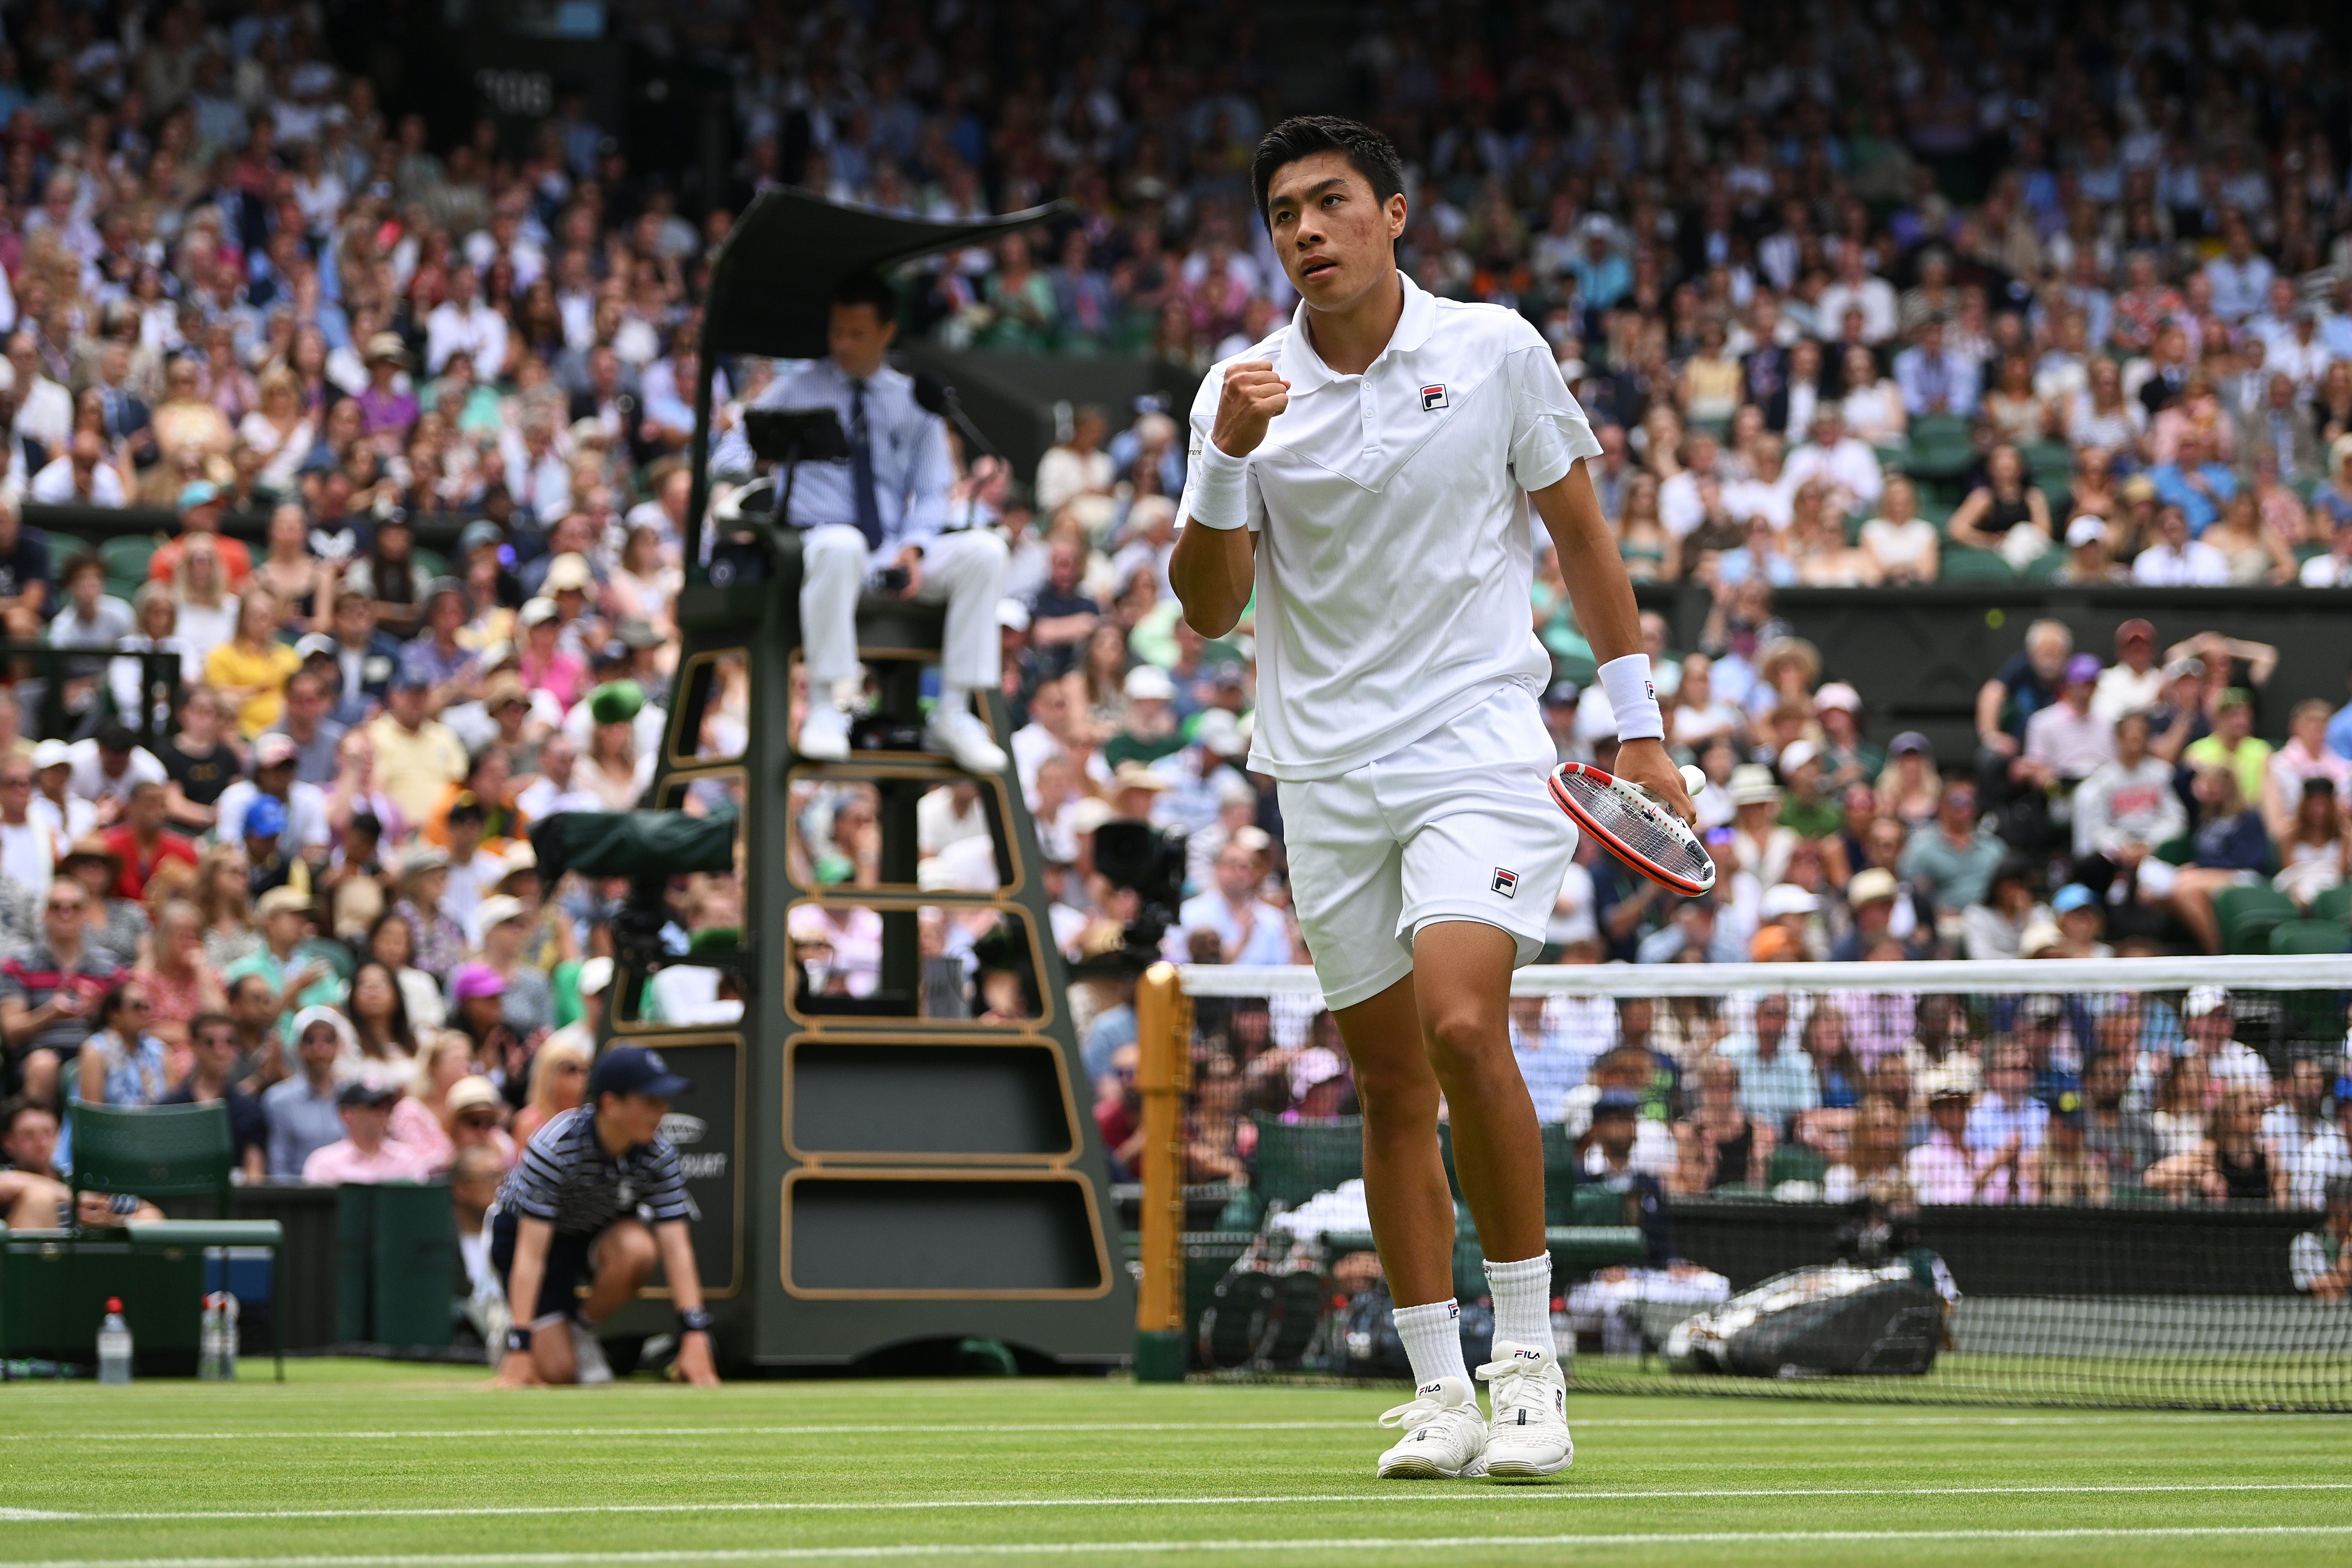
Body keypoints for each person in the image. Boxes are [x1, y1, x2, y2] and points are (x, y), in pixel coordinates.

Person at [1166, 118, 1691, 1481]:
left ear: (1393, 215)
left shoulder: (1496, 348)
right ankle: (1442, 1391)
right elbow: (1211, 609)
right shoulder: (1244, 390)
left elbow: (1580, 534)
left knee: (1463, 1023)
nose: (1305, 229)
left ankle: (1529, 1371)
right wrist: (1223, 452)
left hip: (1476, 744)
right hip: (1324, 774)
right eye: (1283, 211)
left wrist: (1641, 733)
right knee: (1391, 1086)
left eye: (1330, 201)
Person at [733, 272, 1010, 775]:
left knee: (986, 552)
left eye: (857, 333)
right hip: (818, 553)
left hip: (890, 554)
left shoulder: (913, 401)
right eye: (837, 331)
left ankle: (953, 712)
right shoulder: (795, 388)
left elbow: (931, 493)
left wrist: (916, 550)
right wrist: (762, 454)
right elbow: (729, 453)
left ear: (886, 332)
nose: (843, 343)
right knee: (839, 544)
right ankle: (826, 705)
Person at [488, 1045, 720, 1387]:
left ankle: (576, 1329)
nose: (663, 1112)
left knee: (639, 1249)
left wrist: (695, 1333)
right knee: (558, 1374)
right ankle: (511, 1334)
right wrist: (519, 1347)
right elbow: (530, 1254)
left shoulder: (660, 1153)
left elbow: (676, 1246)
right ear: (611, 1103)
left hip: (590, 1235)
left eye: (664, 1102)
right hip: (528, 1240)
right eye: (651, 1102)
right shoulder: (555, 1146)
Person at [0, 878, 124, 1106]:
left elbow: (126, 1026)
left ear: (87, 914)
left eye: (75, 908)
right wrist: (50, 1013)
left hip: (96, 1053)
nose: (65, 914)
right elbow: (11, 1031)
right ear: (44, 915)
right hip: (38, 1053)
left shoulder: (110, 967)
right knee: (43, 1064)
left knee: (98, 1059)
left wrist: (98, 1010)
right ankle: (41, 1137)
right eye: (56, 907)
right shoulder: (19, 965)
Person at [160, 1012, 267, 1180]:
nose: (220, 1052)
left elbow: (254, 1174)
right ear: (194, 1047)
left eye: (230, 1042)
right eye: (210, 1043)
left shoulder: (249, 1109)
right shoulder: (169, 1108)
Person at [260, 1006, 348, 1177]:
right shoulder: (279, 1100)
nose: (319, 1048)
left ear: (338, 1047)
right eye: (310, 1040)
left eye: (328, 1040)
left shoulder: (352, 1096)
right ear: (299, 1048)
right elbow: (278, 1165)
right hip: (298, 1197)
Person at [302, 1078, 438, 1184]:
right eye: (374, 1106)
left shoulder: (408, 1159)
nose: (383, 1113)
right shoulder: (324, 1164)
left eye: (387, 1107)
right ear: (347, 1115)